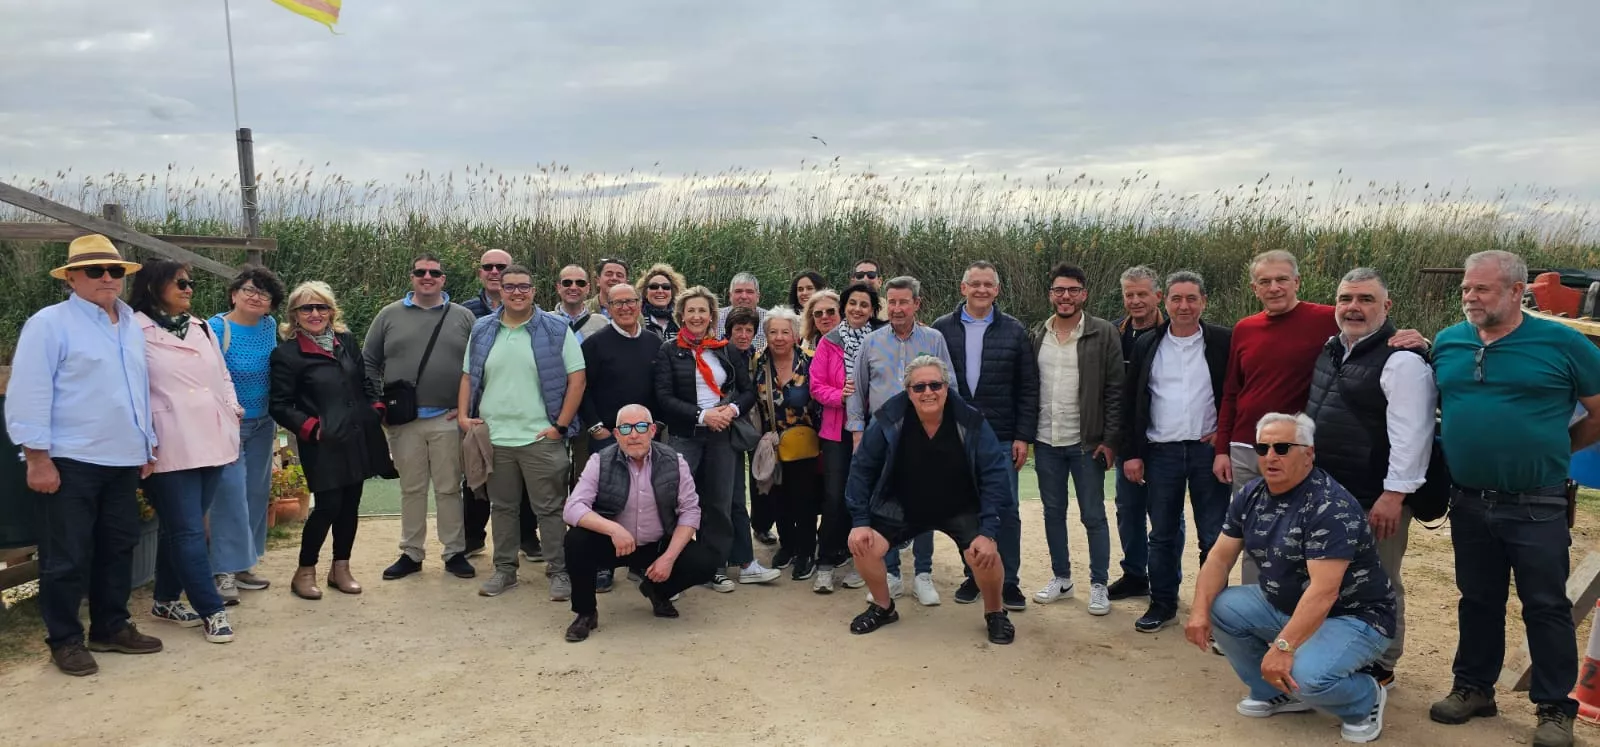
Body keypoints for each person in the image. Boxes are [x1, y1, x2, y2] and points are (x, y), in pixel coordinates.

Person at [1428, 251, 1600, 747]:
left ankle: (1553, 707)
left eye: (1481, 289)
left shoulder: (1562, 342)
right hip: (1469, 499)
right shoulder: (1449, 342)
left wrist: (1559, 448)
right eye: (1466, 289)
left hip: (1537, 502)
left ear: (1515, 290)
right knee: (1477, 599)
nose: (1470, 297)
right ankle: (1474, 688)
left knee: (1545, 604)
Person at [1212, 250, 1425, 583]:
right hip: (1247, 446)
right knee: (1254, 532)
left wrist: (1422, 342)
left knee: (1292, 538)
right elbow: (1231, 391)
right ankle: (1257, 607)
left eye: (1282, 279)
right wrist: (1222, 446)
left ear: (1297, 282)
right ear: (1254, 288)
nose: (1274, 287)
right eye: (1265, 281)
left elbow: (1377, 335)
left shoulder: (1331, 318)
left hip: (1297, 452)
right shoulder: (1244, 328)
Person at [1184, 413, 1394, 745]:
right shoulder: (1252, 493)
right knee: (1220, 607)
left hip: (1353, 617)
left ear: (1308, 454)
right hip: (1289, 606)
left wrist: (1283, 648)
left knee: (1309, 677)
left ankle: (1365, 697)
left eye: (1282, 448)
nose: (1270, 456)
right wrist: (1198, 610)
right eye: (1262, 448)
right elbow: (1219, 558)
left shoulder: (1329, 505)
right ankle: (1277, 693)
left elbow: (1325, 592)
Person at [7, 235, 164, 675]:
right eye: (95, 271)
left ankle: (111, 626)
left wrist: (146, 442)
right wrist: (37, 457)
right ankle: (64, 639)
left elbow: (137, 389)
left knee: (119, 545)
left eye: (114, 271)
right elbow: (29, 392)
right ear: (71, 277)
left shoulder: (131, 323)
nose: (107, 278)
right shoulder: (49, 324)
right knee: (66, 554)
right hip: (70, 458)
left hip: (122, 458)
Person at [1304, 268, 1436, 689]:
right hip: (1328, 492)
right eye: (1346, 299)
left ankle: (1382, 663)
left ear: (1387, 307)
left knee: (1378, 581)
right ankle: (1337, 651)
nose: (1353, 308)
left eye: (1365, 299)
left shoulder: (1403, 361)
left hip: (1374, 497)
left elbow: (1412, 435)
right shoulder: (1332, 348)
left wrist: (1393, 495)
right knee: (1329, 578)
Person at [845, 356, 1015, 644]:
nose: (928, 392)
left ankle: (995, 612)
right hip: (903, 503)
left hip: (960, 505)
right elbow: (861, 469)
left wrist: (988, 531)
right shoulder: (888, 417)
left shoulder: (970, 420)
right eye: (919, 387)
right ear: (908, 391)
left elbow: (994, 475)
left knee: (983, 554)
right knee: (862, 545)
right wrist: (860, 522)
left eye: (935, 385)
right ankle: (883, 607)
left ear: (946, 388)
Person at [457, 264, 586, 601]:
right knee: (502, 508)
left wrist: (560, 427)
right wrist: (462, 416)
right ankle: (504, 570)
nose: (516, 292)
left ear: (534, 291)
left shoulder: (557, 328)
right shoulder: (483, 328)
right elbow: (469, 376)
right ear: (499, 289)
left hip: (540, 438)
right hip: (495, 438)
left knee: (550, 509)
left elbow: (577, 379)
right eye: (509, 286)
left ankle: (559, 571)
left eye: (523, 286)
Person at [130, 260, 240, 644]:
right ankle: (212, 609)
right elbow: (130, 389)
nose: (188, 288)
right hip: (168, 442)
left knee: (180, 529)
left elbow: (222, 374)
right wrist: (143, 440)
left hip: (213, 439)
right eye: (179, 282)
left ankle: (163, 600)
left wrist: (232, 407)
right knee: (191, 531)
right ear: (153, 285)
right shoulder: (133, 330)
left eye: (190, 282)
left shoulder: (201, 327)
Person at [270, 281, 397, 601]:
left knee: (351, 505)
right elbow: (280, 404)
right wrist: (313, 428)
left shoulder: (346, 342)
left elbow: (365, 380)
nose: (315, 313)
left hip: (357, 436)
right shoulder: (287, 354)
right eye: (306, 308)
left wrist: (375, 408)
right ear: (294, 315)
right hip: (323, 442)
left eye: (321, 307)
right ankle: (304, 572)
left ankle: (341, 568)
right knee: (327, 506)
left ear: (331, 311)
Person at [1121, 270, 1231, 632]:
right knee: (1162, 533)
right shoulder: (1147, 344)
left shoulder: (1223, 342)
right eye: (1176, 299)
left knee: (1213, 536)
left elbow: (1237, 393)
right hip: (1161, 452)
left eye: (1192, 298)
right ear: (1164, 302)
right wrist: (1133, 453)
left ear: (1203, 302)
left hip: (1206, 451)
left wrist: (1224, 437)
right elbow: (1132, 401)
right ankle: (1163, 603)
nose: (1184, 306)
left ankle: (1214, 612)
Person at [654, 286, 779, 590]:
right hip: (686, 435)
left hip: (722, 433)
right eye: (691, 310)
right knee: (675, 500)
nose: (697, 316)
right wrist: (702, 415)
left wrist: (731, 410)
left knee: (720, 502)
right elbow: (663, 396)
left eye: (703, 311)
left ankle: (714, 566)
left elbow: (749, 390)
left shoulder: (725, 348)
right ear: (681, 314)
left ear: (712, 316)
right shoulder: (670, 350)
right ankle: (672, 563)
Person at [560, 406, 721, 642]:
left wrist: (668, 558)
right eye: (625, 428)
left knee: (706, 561)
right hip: (614, 543)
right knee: (576, 540)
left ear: (653, 430)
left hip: (657, 544)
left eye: (641, 427)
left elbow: (689, 512)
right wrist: (613, 529)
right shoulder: (599, 461)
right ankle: (586, 613)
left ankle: (657, 591)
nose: (633, 434)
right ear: (616, 434)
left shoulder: (675, 462)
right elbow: (573, 508)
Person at [363, 254, 478, 582]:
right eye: (421, 272)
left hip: (447, 417)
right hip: (403, 420)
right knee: (411, 488)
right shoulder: (389, 315)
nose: (427, 277)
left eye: (434, 273)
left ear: (444, 279)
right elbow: (369, 361)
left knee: (448, 488)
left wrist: (467, 406)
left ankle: (454, 551)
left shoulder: (463, 317)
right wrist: (378, 404)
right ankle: (411, 552)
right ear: (412, 276)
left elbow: (479, 365)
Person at [931, 261, 1037, 611]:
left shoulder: (1014, 330)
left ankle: (1009, 582)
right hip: (957, 435)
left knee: (1005, 509)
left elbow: (1028, 388)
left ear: (997, 290)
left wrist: (1023, 436)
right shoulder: (941, 329)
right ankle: (973, 574)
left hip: (1002, 435)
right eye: (974, 284)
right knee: (966, 509)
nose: (981, 290)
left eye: (987, 285)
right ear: (963, 288)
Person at [846, 276, 954, 606]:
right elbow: (858, 391)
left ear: (916, 304)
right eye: (891, 302)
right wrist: (858, 433)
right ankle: (891, 574)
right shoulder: (872, 342)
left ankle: (922, 575)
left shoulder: (934, 339)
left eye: (903, 302)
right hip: (882, 439)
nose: (896, 308)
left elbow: (950, 385)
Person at [1030, 263, 1123, 614]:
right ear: (1051, 294)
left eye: (1072, 290)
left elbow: (1115, 390)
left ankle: (1099, 583)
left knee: (1093, 514)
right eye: (1059, 290)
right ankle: (1062, 578)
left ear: (1084, 294)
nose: (1065, 296)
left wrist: (1110, 439)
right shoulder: (1038, 333)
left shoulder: (1102, 332)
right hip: (1046, 440)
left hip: (1086, 443)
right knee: (1053, 512)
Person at [207, 265, 287, 601]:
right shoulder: (215, 328)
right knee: (229, 498)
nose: (256, 297)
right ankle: (221, 570)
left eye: (264, 293)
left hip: (263, 423)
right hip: (227, 426)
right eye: (249, 290)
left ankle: (243, 564)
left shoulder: (269, 328)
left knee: (255, 495)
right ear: (234, 293)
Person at [577, 281, 662, 593]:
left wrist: (657, 424)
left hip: (644, 437)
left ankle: (640, 562)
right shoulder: (595, 344)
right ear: (607, 307)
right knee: (607, 500)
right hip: (608, 436)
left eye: (631, 301)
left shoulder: (654, 343)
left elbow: (659, 389)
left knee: (645, 500)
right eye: (618, 303)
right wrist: (594, 425)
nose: (625, 307)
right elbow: (582, 390)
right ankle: (604, 565)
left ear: (640, 304)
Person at [460, 248, 539, 562]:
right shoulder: (465, 313)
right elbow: (462, 366)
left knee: (522, 478)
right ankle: (472, 537)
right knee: (476, 476)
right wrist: (463, 409)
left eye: (501, 267)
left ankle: (527, 538)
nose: (494, 271)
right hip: (481, 410)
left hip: (522, 411)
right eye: (488, 267)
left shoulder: (534, 313)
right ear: (480, 272)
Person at [809, 282, 881, 593]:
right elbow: (816, 386)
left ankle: (858, 562)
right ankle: (824, 563)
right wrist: (840, 395)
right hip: (837, 430)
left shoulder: (880, 340)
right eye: (852, 303)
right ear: (844, 306)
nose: (857, 310)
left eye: (864, 305)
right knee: (835, 497)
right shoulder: (830, 342)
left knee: (864, 498)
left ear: (872, 310)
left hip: (873, 428)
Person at [751, 307, 825, 580]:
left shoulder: (811, 360)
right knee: (777, 498)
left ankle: (806, 550)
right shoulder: (757, 363)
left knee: (804, 499)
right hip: (771, 443)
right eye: (773, 332)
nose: (779, 337)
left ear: (795, 335)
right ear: (766, 335)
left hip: (805, 443)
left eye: (785, 332)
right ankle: (788, 544)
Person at [1107, 265, 1166, 602]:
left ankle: (1162, 580)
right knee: (1127, 510)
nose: (1135, 300)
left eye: (1142, 293)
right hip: (1127, 439)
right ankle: (1134, 574)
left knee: (1163, 513)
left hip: (1165, 439)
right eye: (1129, 294)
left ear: (1157, 296)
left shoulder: (1173, 333)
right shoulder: (1114, 332)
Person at [725, 308, 774, 550]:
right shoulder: (721, 355)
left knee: (762, 476)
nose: (743, 335)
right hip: (730, 424)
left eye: (749, 330)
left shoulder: (759, 356)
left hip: (758, 424)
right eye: (738, 330)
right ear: (729, 331)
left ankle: (761, 525)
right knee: (734, 484)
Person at [554, 264, 608, 340]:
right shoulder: (544, 322)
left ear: (587, 288)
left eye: (580, 283)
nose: (573, 287)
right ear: (559, 287)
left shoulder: (602, 323)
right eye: (567, 283)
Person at [718, 272, 769, 349]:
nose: (744, 296)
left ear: (758, 296)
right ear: (730, 295)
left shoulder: (770, 320)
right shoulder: (716, 318)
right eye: (738, 291)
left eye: (749, 292)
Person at [637, 263, 686, 341]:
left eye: (666, 287)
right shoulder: (636, 319)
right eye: (654, 287)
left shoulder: (682, 320)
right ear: (645, 292)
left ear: (672, 292)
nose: (660, 291)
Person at [800, 289, 840, 353]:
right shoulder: (807, 345)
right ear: (812, 318)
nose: (824, 316)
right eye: (818, 313)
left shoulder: (853, 341)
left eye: (830, 311)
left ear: (840, 312)